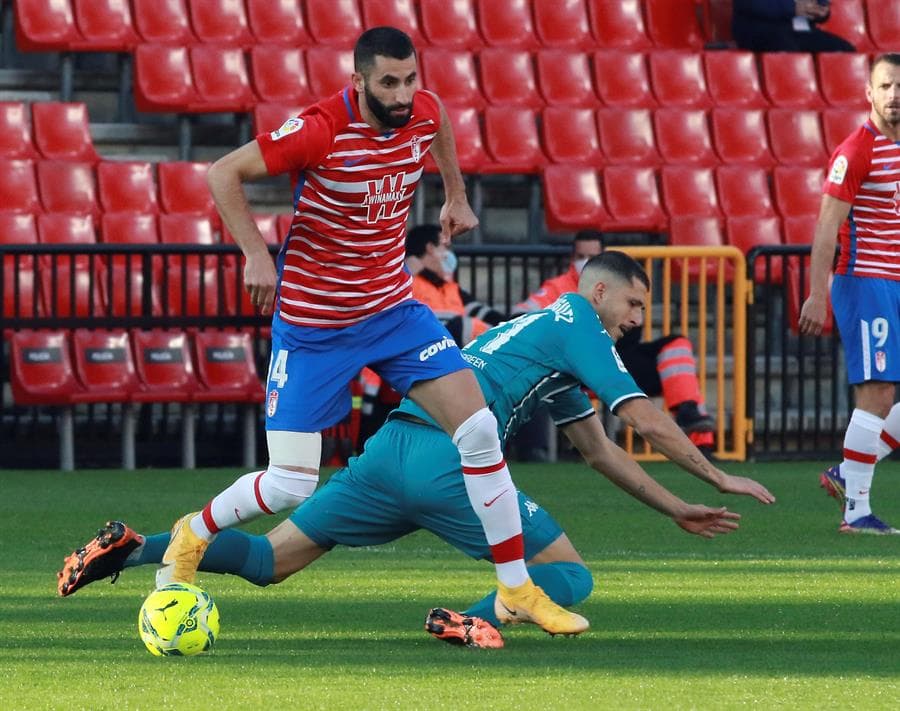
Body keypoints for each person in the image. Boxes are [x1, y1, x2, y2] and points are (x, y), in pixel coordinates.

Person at [58, 252, 773, 649]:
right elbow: (640, 415)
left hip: (388, 450)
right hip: (449, 463)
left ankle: (134, 548)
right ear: (599, 290)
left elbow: (600, 452)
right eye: (634, 305)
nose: (637, 320)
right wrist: (716, 476)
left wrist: (677, 506)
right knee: (570, 577)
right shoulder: (577, 320)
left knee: (270, 560)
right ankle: (474, 618)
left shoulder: (537, 341)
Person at [159, 26, 586, 635]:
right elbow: (222, 173)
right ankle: (194, 530)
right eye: (389, 82)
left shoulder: (421, 110)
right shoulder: (319, 129)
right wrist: (256, 255)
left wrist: (456, 195)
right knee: (289, 485)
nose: (403, 94)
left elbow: (438, 123)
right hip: (315, 326)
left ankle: (516, 587)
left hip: (392, 312)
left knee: (479, 430)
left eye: (410, 79)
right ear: (358, 81)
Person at [799, 53, 900, 535]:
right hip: (865, 280)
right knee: (877, 392)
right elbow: (826, 226)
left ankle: (847, 471)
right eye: (886, 86)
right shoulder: (856, 151)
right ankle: (856, 512)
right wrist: (816, 294)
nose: (895, 95)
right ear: (869, 92)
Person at [515, 230, 717, 456]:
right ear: (572, 258)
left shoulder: (620, 283)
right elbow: (521, 316)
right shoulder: (558, 287)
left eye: (592, 256)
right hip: (575, 366)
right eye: (581, 256)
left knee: (676, 346)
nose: (585, 261)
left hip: (619, 358)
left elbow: (633, 329)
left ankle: (696, 432)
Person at [731, 0, 854, 53]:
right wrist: (792, 8)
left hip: (802, 32)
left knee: (843, 50)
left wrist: (821, 11)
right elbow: (749, 4)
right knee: (786, 45)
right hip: (762, 29)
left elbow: (821, 5)